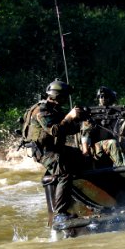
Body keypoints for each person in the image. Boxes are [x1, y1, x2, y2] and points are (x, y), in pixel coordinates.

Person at [25, 79, 84, 223]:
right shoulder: (42, 110)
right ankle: (60, 213)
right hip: (44, 152)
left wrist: (81, 120)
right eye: (64, 96)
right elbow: (55, 130)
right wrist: (69, 117)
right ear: (58, 96)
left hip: (53, 149)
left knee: (80, 156)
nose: (65, 100)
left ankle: (77, 200)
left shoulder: (53, 109)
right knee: (64, 173)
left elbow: (67, 128)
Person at [80, 86, 125, 167]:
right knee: (112, 143)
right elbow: (85, 133)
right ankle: (124, 169)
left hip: (110, 146)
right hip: (94, 148)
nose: (103, 98)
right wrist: (85, 150)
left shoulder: (115, 112)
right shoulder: (92, 113)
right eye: (100, 96)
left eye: (105, 96)